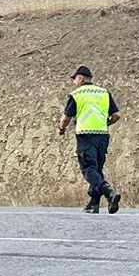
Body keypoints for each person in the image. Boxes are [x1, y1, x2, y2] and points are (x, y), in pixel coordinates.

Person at [57, 65, 121, 214]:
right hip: (103, 136)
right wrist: (106, 123)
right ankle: (94, 203)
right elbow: (117, 115)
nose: (74, 82)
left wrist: (61, 129)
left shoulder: (77, 94)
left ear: (80, 78)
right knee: (97, 169)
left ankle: (109, 191)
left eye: (75, 79)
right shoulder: (104, 92)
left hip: (86, 135)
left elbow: (66, 117)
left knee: (88, 169)